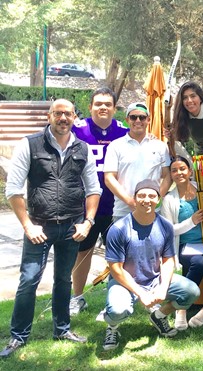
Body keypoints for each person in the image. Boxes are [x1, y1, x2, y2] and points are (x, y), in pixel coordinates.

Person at [1, 99, 102, 359]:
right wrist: (27, 225)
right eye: (58, 113)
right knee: (28, 280)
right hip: (40, 227)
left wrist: (88, 221)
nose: (63, 118)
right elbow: (13, 190)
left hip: (72, 226)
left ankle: (62, 329)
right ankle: (18, 336)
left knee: (63, 280)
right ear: (50, 115)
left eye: (68, 114)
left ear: (74, 117)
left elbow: (93, 188)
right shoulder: (30, 144)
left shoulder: (82, 148)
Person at [102, 179, 200, 351]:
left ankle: (159, 315)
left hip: (154, 279)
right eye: (142, 195)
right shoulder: (119, 228)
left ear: (158, 199)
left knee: (191, 291)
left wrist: (163, 288)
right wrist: (141, 293)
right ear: (135, 198)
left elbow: (168, 260)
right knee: (117, 310)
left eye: (151, 196)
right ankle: (112, 327)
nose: (146, 200)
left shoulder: (165, 226)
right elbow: (116, 269)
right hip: (124, 283)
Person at [69, 87, 129, 315]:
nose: (103, 107)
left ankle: (118, 300)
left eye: (108, 104)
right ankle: (77, 297)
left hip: (116, 206)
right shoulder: (78, 130)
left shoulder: (124, 131)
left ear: (114, 108)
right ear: (91, 107)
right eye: (98, 104)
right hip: (85, 207)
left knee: (119, 255)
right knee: (83, 252)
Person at [160, 156, 203, 329]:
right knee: (198, 263)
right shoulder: (169, 199)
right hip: (186, 246)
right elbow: (169, 230)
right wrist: (192, 221)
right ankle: (181, 308)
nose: (179, 173)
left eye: (182, 169)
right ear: (170, 175)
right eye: (174, 170)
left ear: (190, 171)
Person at [104, 102, 172, 219]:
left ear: (148, 120)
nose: (138, 120)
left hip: (153, 211)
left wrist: (155, 198)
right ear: (127, 119)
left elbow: (168, 176)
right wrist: (129, 201)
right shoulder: (115, 146)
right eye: (133, 117)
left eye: (142, 117)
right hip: (123, 211)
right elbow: (109, 178)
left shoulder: (160, 146)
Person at [170, 81, 203, 156]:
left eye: (193, 96)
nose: (189, 100)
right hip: (200, 160)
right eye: (185, 98)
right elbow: (178, 136)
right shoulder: (183, 116)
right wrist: (170, 134)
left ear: (200, 98)